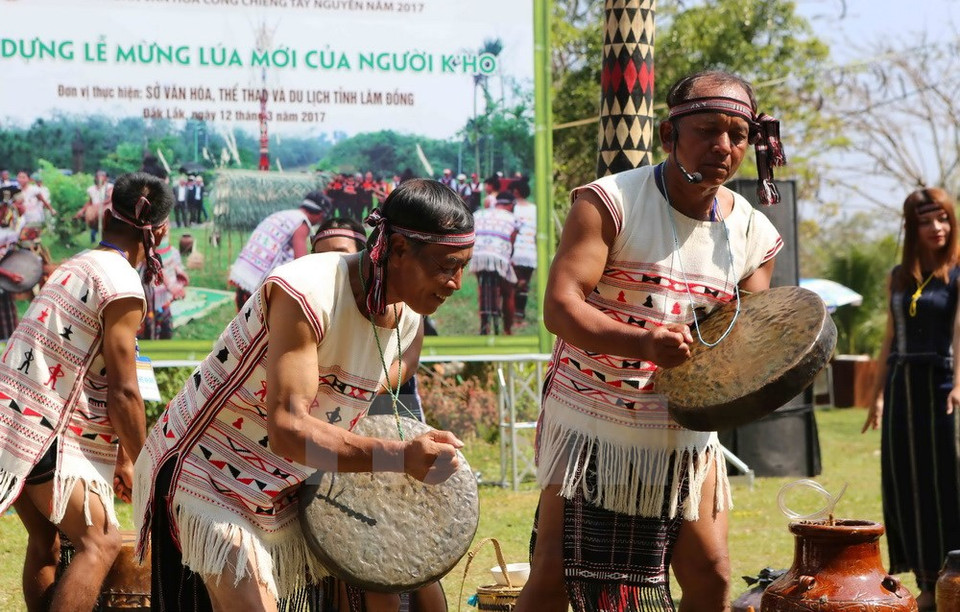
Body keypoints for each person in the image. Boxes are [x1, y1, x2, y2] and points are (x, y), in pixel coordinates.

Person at [132, 178, 475, 612]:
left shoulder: (409, 323)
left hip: (287, 485)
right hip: (209, 474)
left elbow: (366, 401)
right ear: (400, 248)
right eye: (446, 266)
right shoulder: (306, 290)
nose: (456, 282)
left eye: (463, 266)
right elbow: (290, 429)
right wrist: (399, 455)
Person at [515, 70, 786, 612]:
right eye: (708, 129)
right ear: (669, 135)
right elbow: (560, 307)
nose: (724, 146)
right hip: (590, 421)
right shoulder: (609, 202)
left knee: (711, 578)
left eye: (737, 134)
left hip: (683, 431)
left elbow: (748, 337)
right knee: (552, 577)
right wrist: (645, 344)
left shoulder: (755, 232)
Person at [0, 172, 173, 611]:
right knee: (101, 541)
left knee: (46, 542)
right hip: (43, 428)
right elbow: (124, 393)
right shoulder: (121, 282)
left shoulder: (78, 265)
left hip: (11, 417)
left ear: (106, 213)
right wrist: (139, 461)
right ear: (162, 229)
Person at [308, 215, 443, 612]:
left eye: (342, 256)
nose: (333, 266)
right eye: (323, 258)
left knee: (406, 547)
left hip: (388, 437)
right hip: (332, 443)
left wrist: (352, 389)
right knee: (345, 553)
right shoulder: (316, 302)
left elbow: (408, 362)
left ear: (368, 258)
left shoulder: (402, 304)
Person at [863, 187, 960, 611]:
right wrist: (877, 395)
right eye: (926, 220)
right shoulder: (898, 275)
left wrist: (958, 381)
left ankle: (953, 580)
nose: (936, 228)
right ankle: (924, 582)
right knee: (907, 482)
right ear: (912, 227)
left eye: (942, 219)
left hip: (942, 386)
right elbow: (889, 337)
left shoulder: (958, 272)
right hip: (902, 384)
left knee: (947, 483)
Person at [228, 191, 331, 311]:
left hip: (246, 272)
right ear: (320, 214)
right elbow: (301, 261)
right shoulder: (302, 223)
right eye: (322, 218)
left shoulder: (285, 215)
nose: (319, 221)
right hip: (258, 280)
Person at [473, 190, 520, 335]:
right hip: (498, 258)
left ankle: (484, 326)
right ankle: (507, 330)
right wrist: (509, 260)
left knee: (482, 290)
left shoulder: (479, 214)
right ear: (511, 205)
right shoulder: (512, 218)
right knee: (508, 292)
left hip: (478, 257)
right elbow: (511, 243)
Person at [510, 179, 537, 324]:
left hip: (516, 251)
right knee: (524, 285)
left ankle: (513, 315)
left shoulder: (512, 208)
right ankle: (520, 315)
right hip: (530, 252)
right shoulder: (534, 209)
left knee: (514, 283)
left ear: (515, 191)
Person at [77, 170, 112, 244]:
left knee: (105, 228)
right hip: (94, 214)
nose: (100, 178)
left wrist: (99, 205)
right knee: (94, 228)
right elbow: (89, 202)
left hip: (104, 213)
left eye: (102, 176)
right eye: (98, 176)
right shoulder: (91, 189)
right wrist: (82, 211)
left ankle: (105, 242)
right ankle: (94, 243)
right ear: (95, 177)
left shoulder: (109, 187)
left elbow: (110, 199)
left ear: (105, 178)